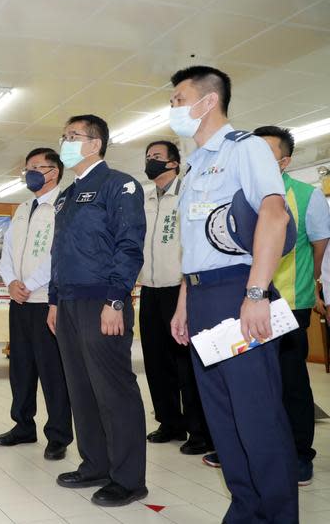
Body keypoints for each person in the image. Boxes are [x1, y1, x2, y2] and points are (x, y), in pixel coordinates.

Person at [169, 66, 298, 523]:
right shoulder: (194, 164)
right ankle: (246, 509)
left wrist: (257, 292)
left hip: (239, 292)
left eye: (179, 99)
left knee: (256, 414)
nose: (173, 109)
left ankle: (278, 515)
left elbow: (274, 216)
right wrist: (185, 301)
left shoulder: (245, 149)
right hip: (204, 296)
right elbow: (195, 245)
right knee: (223, 417)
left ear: (208, 101)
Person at [200, 126, 329, 485]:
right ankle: (245, 450)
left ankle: (300, 454)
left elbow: (320, 248)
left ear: (284, 161)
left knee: (290, 382)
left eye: (265, 152)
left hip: (287, 304)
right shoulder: (234, 192)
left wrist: (312, 283)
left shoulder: (305, 196)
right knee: (247, 384)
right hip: (239, 303)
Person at [47, 114, 147, 507]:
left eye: (73, 136)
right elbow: (60, 253)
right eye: (64, 135)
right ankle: (95, 465)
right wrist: (54, 301)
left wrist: (116, 299)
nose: (66, 142)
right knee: (81, 388)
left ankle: (128, 478)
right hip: (69, 303)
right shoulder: (67, 194)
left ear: (95, 143)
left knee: (114, 390)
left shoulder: (118, 185)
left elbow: (128, 246)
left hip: (102, 301)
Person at [0, 147, 73, 461]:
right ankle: (23, 426)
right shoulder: (23, 208)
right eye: (27, 167)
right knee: (21, 368)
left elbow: (59, 254)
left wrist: (30, 284)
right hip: (20, 301)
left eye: (38, 167)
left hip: (46, 302)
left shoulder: (65, 206)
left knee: (52, 371)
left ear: (54, 171)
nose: (31, 172)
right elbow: (7, 253)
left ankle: (58, 436)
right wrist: (11, 282)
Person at [138, 141, 212, 455]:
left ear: (174, 163)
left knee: (185, 363)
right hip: (149, 289)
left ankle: (198, 430)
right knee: (155, 360)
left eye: (157, 157)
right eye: (147, 157)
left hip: (180, 289)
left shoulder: (188, 193)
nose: (150, 161)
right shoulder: (143, 198)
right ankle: (169, 422)